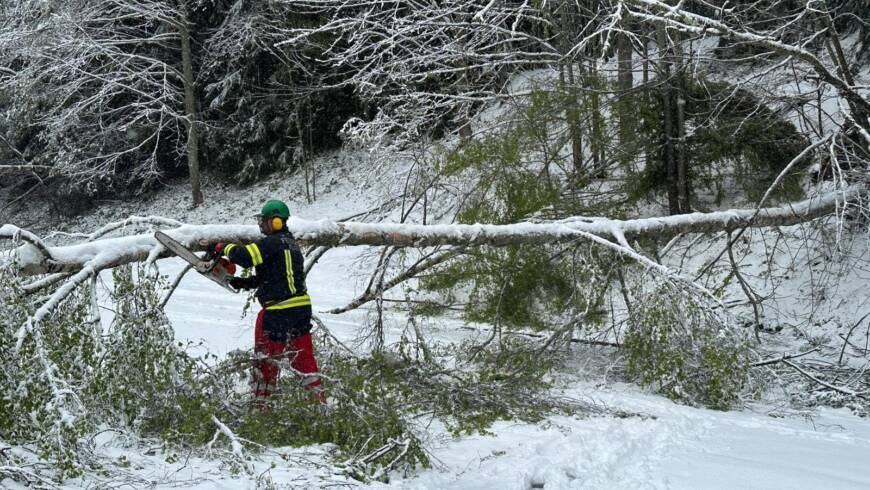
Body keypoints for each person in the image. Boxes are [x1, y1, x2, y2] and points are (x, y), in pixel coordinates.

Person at [215, 199, 325, 404]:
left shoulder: (273, 242)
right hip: (300, 310)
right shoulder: (290, 245)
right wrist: (241, 282)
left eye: (264, 220)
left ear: (276, 222)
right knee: (304, 359)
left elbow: (246, 257)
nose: (260, 225)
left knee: (266, 360)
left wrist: (223, 247)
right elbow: (267, 278)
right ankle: (317, 401)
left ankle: (261, 405)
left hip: (278, 311)